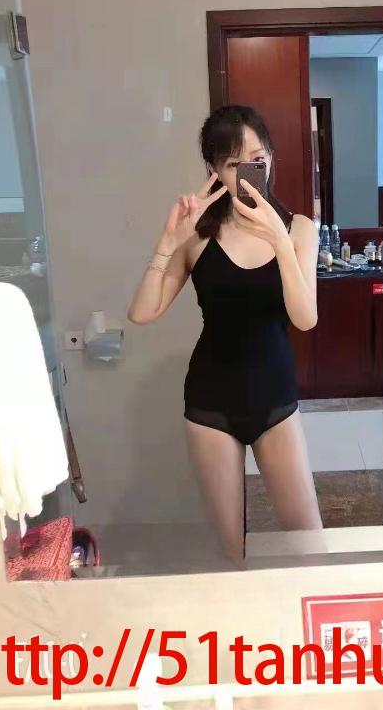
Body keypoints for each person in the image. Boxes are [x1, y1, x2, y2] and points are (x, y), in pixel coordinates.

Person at [128, 105, 323, 565]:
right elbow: (142, 312)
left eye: (257, 158)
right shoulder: (196, 235)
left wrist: (279, 241)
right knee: (232, 552)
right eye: (234, 163)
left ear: (271, 157)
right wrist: (168, 242)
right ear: (214, 169)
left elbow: (305, 319)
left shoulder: (299, 229)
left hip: (275, 398)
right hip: (210, 402)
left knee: (310, 543)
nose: (248, 172)